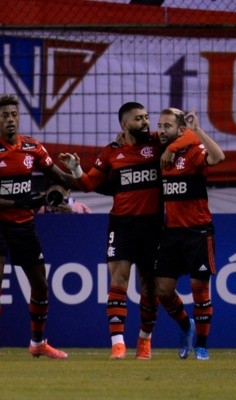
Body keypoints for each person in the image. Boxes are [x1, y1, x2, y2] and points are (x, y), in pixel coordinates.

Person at [60, 102, 195, 360]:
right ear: (124, 125)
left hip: (152, 226)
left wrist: (173, 148)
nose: (146, 122)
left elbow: (188, 134)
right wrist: (75, 169)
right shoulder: (111, 152)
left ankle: (144, 341)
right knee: (118, 280)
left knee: (149, 287)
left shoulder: (158, 142)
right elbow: (88, 183)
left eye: (146, 117)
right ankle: (118, 346)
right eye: (139, 119)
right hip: (122, 225)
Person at [0, 94, 76, 361]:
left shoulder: (33, 148)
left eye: (14, 114)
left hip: (24, 225)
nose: (10, 119)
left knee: (40, 285)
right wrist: (21, 201)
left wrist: (75, 173)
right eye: (4, 115)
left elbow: (60, 177)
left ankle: (38, 343)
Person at [155, 107, 225, 361]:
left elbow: (218, 157)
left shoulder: (193, 151)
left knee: (199, 289)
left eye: (167, 126)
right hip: (171, 232)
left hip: (198, 231)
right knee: (162, 290)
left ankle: (202, 345)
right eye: (160, 126)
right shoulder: (159, 151)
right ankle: (186, 325)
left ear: (180, 129)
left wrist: (198, 132)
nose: (161, 131)